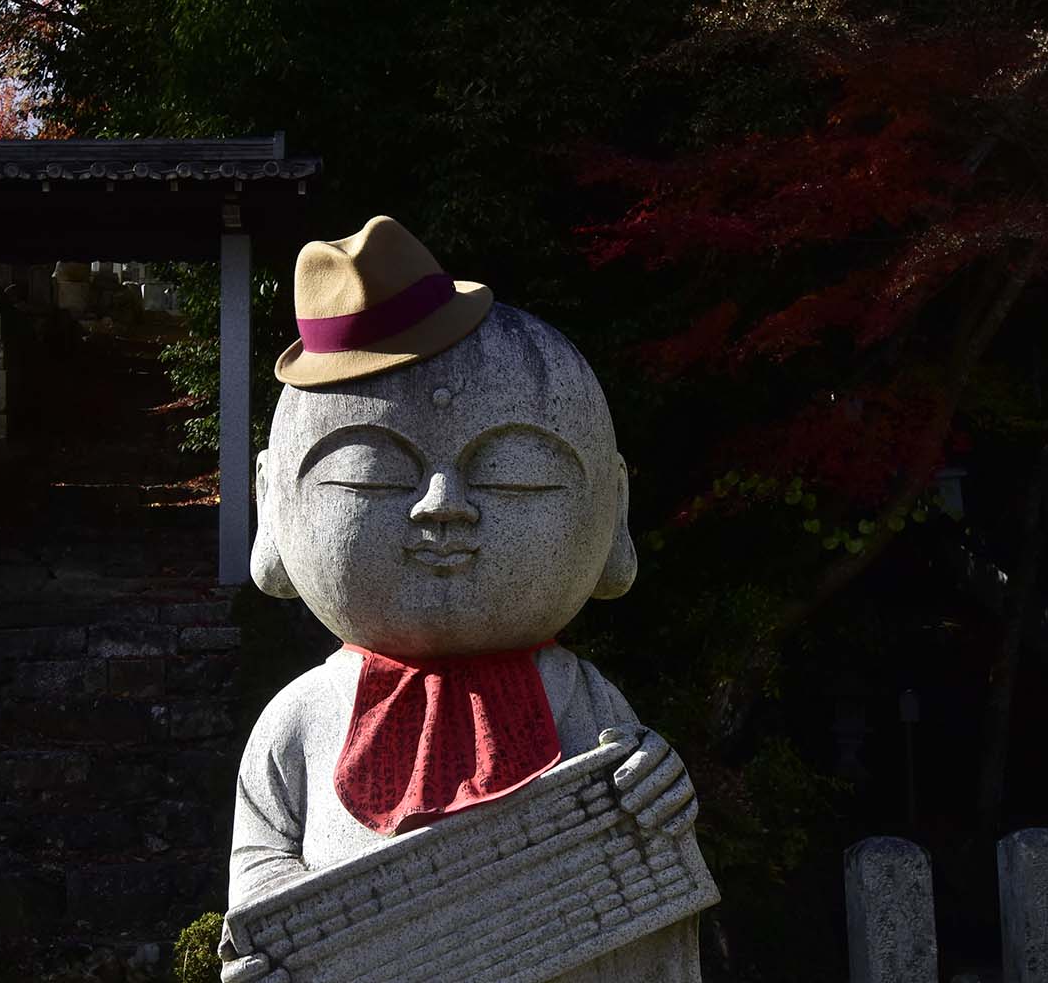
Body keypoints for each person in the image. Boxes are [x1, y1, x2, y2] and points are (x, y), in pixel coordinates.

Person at [230, 216, 699, 908]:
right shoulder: (303, 720)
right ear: (271, 504)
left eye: (514, 476)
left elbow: (640, 849)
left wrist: (656, 785)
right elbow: (261, 862)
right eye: (373, 477)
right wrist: (277, 931)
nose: (441, 507)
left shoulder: (581, 698)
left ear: (614, 508)